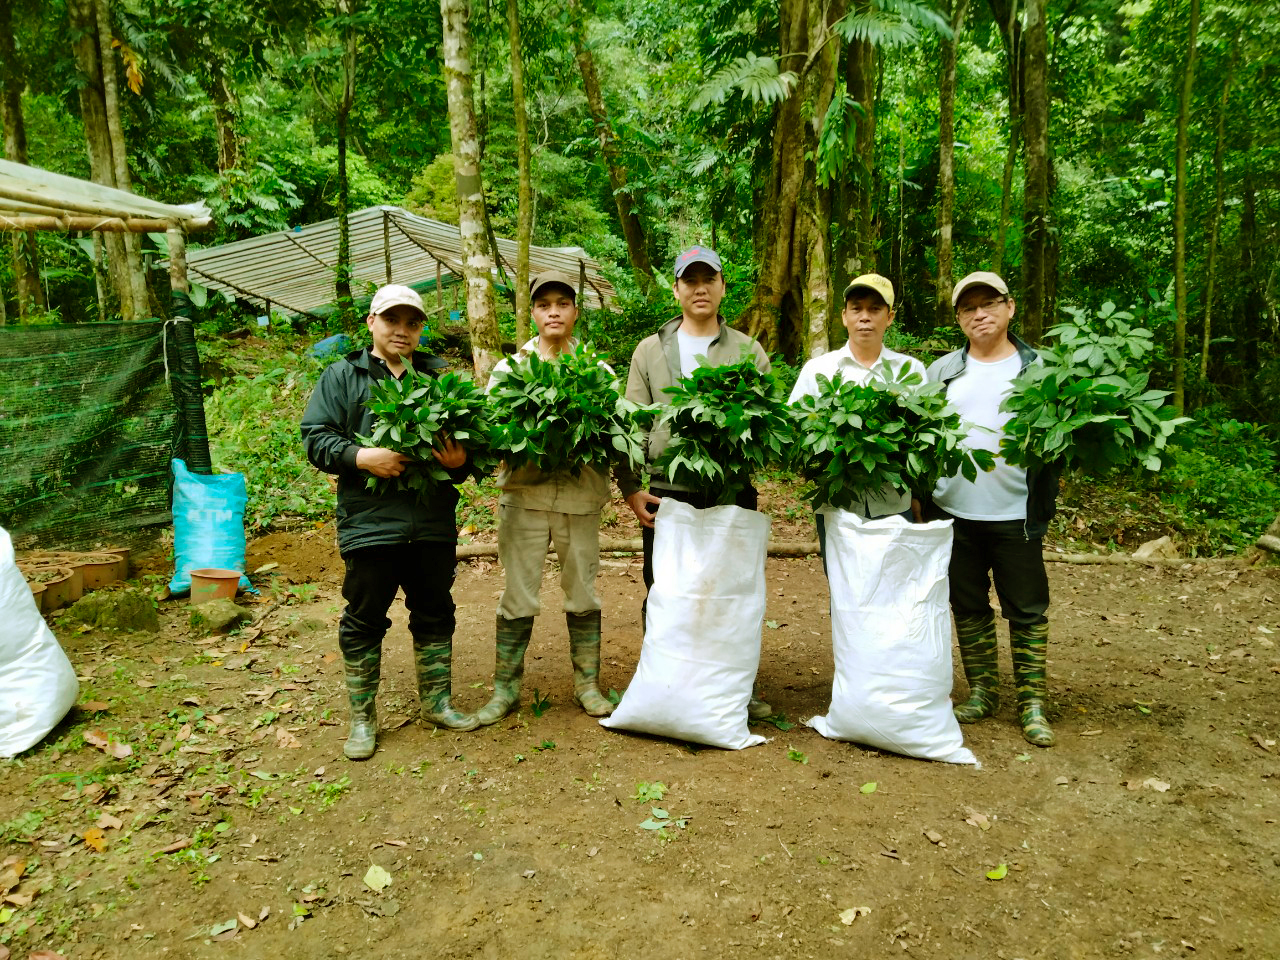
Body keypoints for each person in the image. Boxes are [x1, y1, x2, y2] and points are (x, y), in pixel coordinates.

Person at [301, 284, 478, 760]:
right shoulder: (342, 377)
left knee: (435, 610)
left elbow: (468, 451)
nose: (402, 331)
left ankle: (437, 703)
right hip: (371, 523)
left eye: (412, 323)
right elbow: (316, 438)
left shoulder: (438, 380)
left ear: (420, 329)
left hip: (431, 523)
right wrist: (361, 456)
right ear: (371, 323)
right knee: (364, 617)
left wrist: (461, 460)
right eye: (392, 321)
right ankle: (362, 719)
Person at [617, 245, 775, 719]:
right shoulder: (650, 349)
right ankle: (664, 686)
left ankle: (732, 689)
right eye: (690, 280)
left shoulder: (747, 349)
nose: (700, 288)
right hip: (669, 492)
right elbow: (632, 425)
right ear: (677, 289)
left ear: (723, 286)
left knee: (728, 592)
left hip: (730, 492)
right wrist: (629, 487)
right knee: (666, 590)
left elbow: (766, 422)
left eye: (709, 279)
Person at [923, 271, 1060, 747]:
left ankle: (1032, 701)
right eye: (968, 308)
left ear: (1010, 307)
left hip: (1017, 512)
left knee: (1026, 609)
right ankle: (983, 690)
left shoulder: (1041, 369)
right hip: (954, 511)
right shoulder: (941, 373)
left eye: (988, 304)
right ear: (959, 318)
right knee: (967, 605)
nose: (979, 314)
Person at [475, 271, 616, 725]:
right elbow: (493, 432)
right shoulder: (510, 371)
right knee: (518, 595)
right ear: (533, 313)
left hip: (581, 497)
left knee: (583, 594)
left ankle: (588, 686)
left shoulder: (599, 372)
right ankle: (505, 690)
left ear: (576, 311)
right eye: (543, 305)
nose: (553, 311)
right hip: (524, 497)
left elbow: (617, 433)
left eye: (562, 303)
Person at [788, 274, 926, 562]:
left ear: (889, 317)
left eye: (875, 309)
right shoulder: (818, 370)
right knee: (843, 589)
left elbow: (924, 439)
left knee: (895, 586)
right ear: (844, 316)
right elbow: (794, 432)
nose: (865, 317)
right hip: (837, 507)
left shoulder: (911, 371)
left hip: (893, 504)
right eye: (857, 308)